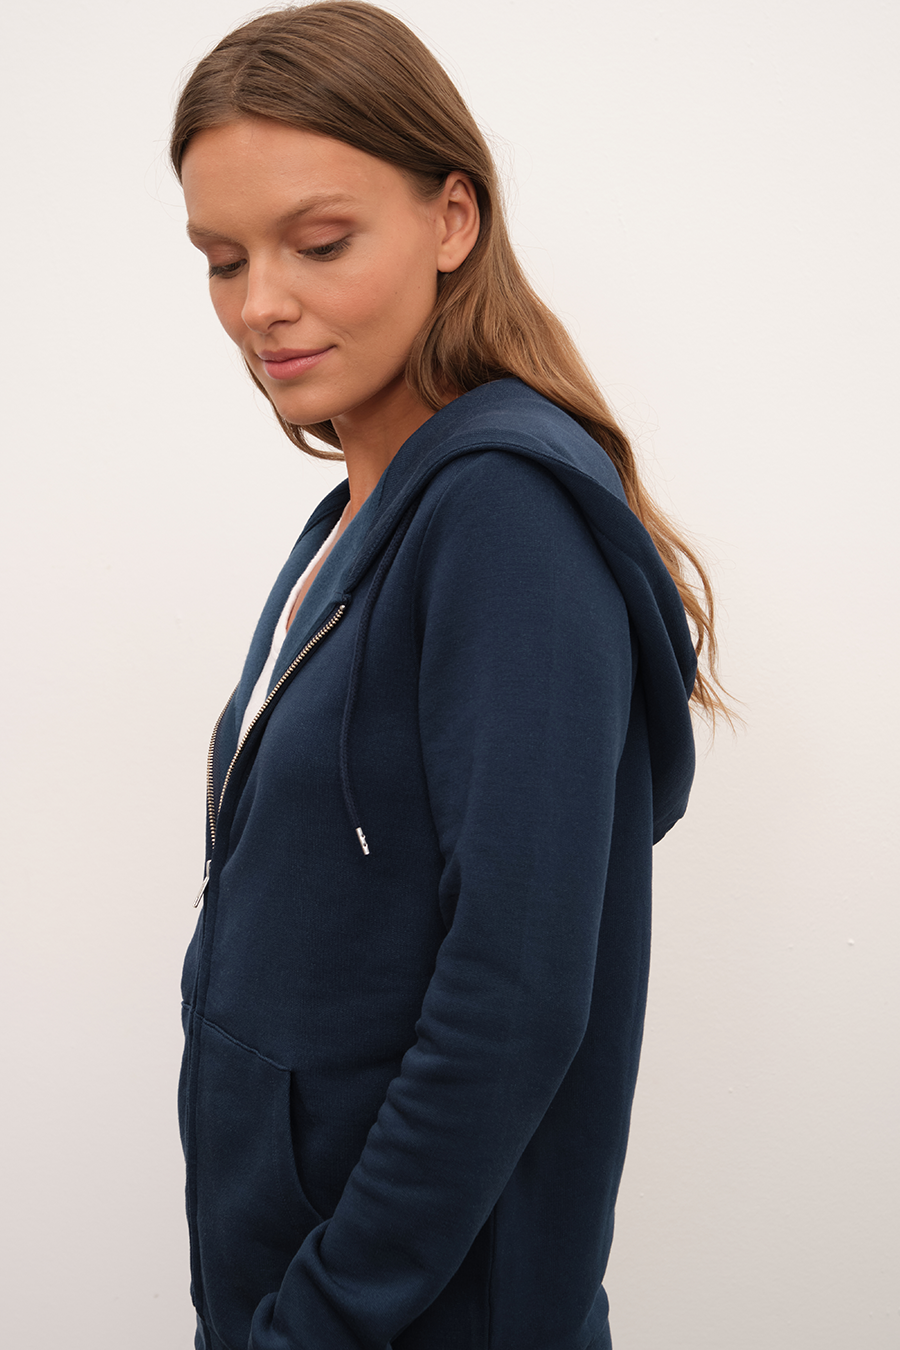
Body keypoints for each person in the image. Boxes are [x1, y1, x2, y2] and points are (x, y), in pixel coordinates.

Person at [171, 4, 724, 1348]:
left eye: (319, 243)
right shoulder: (361, 515)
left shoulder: (504, 518)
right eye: (223, 259)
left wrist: (324, 1315)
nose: (260, 305)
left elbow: (514, 997)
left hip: (411, 1319)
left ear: (451, 220)